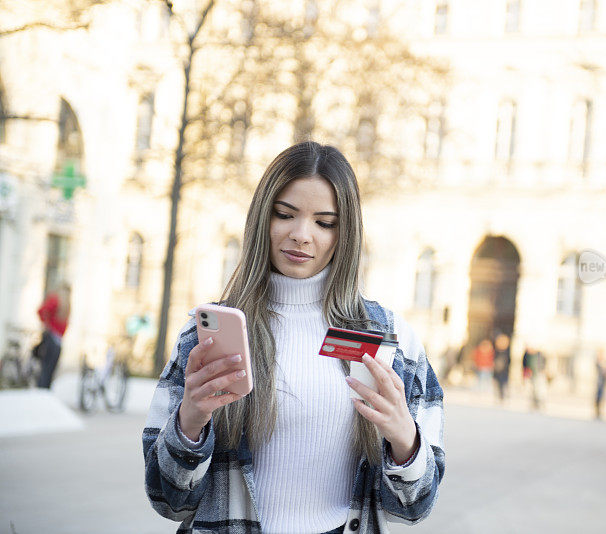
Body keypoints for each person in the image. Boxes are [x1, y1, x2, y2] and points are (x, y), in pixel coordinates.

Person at [142, 142, 445, 533]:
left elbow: (415, 508)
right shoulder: (208, 333)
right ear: (262, 219)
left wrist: (406, 443)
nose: (301, 235)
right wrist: (190, 423)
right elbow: (167, 500)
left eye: (324, 222)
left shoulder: (390, 337)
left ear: (345, 233)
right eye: (285, 215)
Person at [35, 282, 71, 388]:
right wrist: (48, 325)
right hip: (52, 338)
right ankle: (42, 392)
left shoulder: (65, 303)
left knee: (50, 369)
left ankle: (44, 392)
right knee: (46, 369)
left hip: (57, 340)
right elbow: (42, 310)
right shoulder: (56, 299)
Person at [492, 333, 511, 401]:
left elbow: (509, 361)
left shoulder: (507, 352)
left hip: (504, 371)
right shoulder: (496, 351)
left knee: (503, 384)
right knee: (497, 384)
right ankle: (499, 396)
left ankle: (503, 396)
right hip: (497, 371)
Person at [594, 349, 606, 420]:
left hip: (604, 382)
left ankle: (601, 411)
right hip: (599, 382)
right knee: (598, 397)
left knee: (603, 397)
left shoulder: (605, 362)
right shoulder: (598, 362)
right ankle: (597, 412)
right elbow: (601, 371)